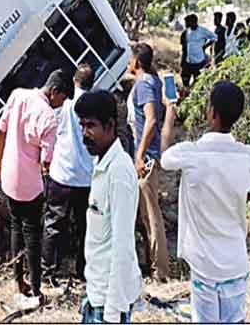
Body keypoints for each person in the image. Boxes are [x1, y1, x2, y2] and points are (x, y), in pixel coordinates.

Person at [159, 80, 250, 324]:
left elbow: (164, 157)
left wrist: (169, 114)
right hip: (235, 263)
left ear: (213, 114)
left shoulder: (191, 153)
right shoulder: (249, 157)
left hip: (204, 265)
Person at [0, 69, 72, 307]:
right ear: (54, 91)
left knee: (16, 227)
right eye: (62, 99)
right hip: (30, 185)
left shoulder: (18, 95)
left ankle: (19, 282)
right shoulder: (48, 117)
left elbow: (1, 129)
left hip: (8, 175)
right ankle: (36, 289)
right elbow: (46, 162)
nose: (61, 105)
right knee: (32, 235)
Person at [75, 90, 142, 324]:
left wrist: (112, 312)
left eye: (91, 126)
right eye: (82, 125)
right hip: (97, 291)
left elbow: (123, 245)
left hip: (109, 302)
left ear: (110, 125)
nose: (85, 134)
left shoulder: (119, 172)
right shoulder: (102, 162)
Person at [42, 63, 95, 284]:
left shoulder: (63, 105)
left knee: (54, 224)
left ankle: (48, 272)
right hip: (86, 178)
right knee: (86, 227)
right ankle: (83, 272)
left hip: (61, 175)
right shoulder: (93, 105)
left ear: (74, 81)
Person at [127, 43, 169, 281]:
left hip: (147, 159)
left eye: (130, 59)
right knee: (145, 214)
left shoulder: (144, 83)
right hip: (148, 155)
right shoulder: (152, 80)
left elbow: (151, 120)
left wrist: (140, 155)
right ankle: (151, 264)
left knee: (151, 216)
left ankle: (160, 271)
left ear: (137, 62)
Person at [180, 14, 216, 88]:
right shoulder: (187, 32)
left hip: (199, 61)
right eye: (189, 22)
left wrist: (205, 46)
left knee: (198, 82)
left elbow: (214, 37)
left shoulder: (203, 30)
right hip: (188, 61)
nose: (190, 24)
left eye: (192, 22)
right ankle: (186, 92)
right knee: (185, 79)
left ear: (195, 22)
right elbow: (184, 47)